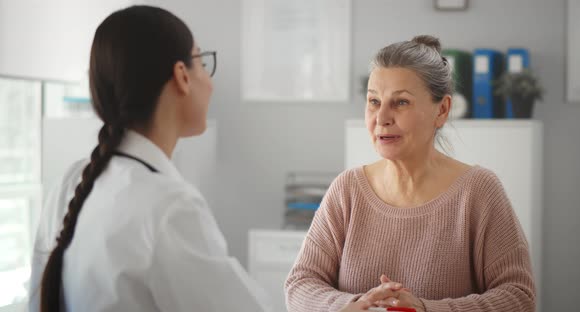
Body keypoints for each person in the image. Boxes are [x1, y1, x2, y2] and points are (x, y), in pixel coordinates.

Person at [28, 5, 383, 312]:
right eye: (202, 62)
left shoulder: (71, 181)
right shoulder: (167, 204)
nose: (209, 83)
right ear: (182, 76)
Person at [284, 35, 536, 312]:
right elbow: (300, 284)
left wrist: (426, 309)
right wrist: (354, 305)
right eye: (374, 101)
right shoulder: (347, 189)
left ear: (442, 110)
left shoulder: (478, 191)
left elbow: (518, 297)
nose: (382, 118)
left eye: (401, 102)